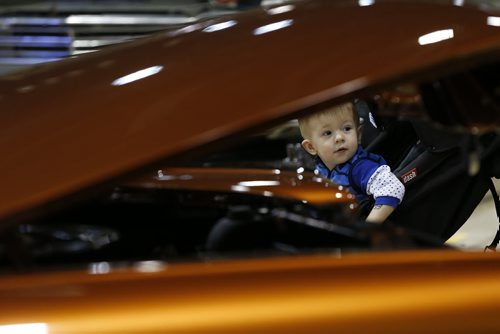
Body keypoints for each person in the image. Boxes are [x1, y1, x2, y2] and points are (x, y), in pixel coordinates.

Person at [298, 102, 405, 223]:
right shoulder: (317, 169)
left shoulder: (361, 167)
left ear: (358, 134)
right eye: (327, 133)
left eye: (347, 129)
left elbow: (393, 188)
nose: (339, 138)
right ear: (311, 147)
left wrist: (367, 228)